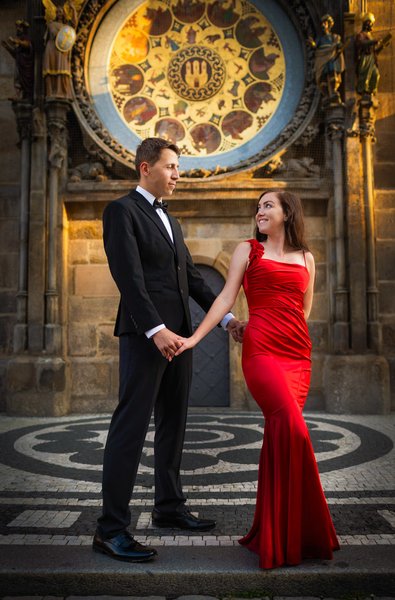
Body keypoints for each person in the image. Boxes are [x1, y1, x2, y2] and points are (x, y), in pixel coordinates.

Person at [175, 190, 340, 569]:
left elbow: (303, 309)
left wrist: (286, 328)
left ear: (287, 212)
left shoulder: (307, 258)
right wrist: (196, 339)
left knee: (282, 437)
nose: (260, 211)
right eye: (259, 207)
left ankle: (285, 535)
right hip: (262, 351)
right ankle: (304, 532)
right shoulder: (248, 250)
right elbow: (224, 299)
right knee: (293, 430)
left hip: (297, 355)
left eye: (268, 205)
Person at [93, 137, 239, 562]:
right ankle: (110, 529)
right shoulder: (121, 211)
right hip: (147, 337)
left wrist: (228, 321)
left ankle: (169, 509)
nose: (178, 175)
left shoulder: (171, 221)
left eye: (178, 167)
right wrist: (154, 329)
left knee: (174, 423)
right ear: (145, 168)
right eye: (172, 166)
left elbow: (192, 280)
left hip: (182, 337)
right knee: (131, 427)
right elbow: (129, 279)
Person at [309, 14, 345, 103]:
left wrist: (338, 47)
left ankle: (333, 91)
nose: (323, 25)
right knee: (323, 76)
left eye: (324, 23)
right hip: (322, 57)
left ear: (329, 24)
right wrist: (312, 43)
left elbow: (339, 45)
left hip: (331, 57)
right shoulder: (320, 39)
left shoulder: (334, 37)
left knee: (332, 73)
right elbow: (315, 46)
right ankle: (326, 94)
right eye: (322, 23)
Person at [355, 12, 392, 99]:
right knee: (365, 76)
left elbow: (375, 51)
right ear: (366, 24)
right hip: (365, 58)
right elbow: (361, 43)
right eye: (371, 23)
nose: (372, 25)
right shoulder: (361, 35)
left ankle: (370, 92)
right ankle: (364, 92)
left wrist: (382, 46)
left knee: (375, 75)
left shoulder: (370, 36)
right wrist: (373, 41)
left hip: (372, 58)